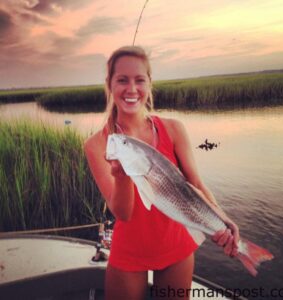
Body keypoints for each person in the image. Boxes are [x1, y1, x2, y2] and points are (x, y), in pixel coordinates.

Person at [84, 46, 240, 300]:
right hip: (129, 251)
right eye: (122, 80)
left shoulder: (174, 129)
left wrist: (223, 220)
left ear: (149, 83)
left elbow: (197, 184)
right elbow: (123, 213)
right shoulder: (97, 145)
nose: (132, 89)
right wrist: (122, 176)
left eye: (139, 80)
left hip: (177, 245)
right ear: (109, 84)